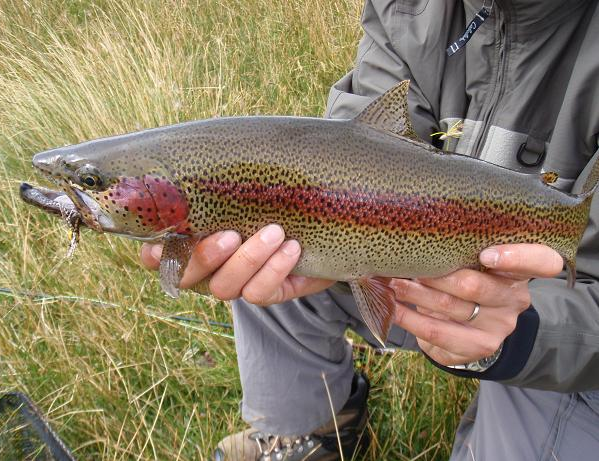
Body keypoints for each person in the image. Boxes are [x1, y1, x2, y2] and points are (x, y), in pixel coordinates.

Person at [141, 0, 599, 459]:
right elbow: (356, 148)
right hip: (417, 263)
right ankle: (310, 431)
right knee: (264, 237)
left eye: (91, 184)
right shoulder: (407, 8)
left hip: (563, 327)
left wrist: (521, 337)